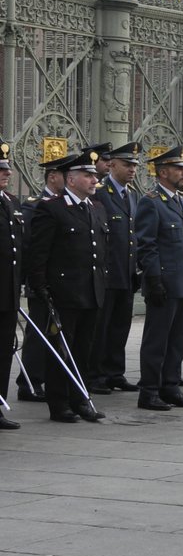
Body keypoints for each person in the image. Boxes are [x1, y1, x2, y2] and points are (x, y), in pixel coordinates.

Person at [24, 148, 109, 424]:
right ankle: (59, 403)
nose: (94, 180)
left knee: (84, 349)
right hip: (63, 293)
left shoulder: (96, 208)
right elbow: (39, 253)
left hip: (91, 290)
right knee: (62, 348)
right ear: (70, 180)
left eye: (94, 175)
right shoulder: (52, 208)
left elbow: (99, 251)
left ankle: (80, 398)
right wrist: (41, 287)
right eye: (87, 175)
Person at [135, 148, 183, 411]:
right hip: (165, 283)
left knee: (177, 339)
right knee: (157, 340)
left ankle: (170, 386)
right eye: (179, 168)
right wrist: (154, 280)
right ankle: (149, 390)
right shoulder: (151, 202)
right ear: (163, 172)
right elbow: (147, 245)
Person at [88, 142, 142, 394]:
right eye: (127, 164)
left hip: (126, 271)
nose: (132, 169)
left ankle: (115, 372)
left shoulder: (131, 194)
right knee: (101, 326)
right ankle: (95, 374)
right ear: (112, 165)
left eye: (134, 165)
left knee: (121, 325)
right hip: (106, 272)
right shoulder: (100, 192)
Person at [16, 155, 69, 402]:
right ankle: (29, 382)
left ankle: (50, 379)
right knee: (38, 334)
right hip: (42, 280)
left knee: (56, 333)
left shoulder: (67, 204)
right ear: (52, 176)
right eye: (64, 175)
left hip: (63, 281)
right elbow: (30, 244)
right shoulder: (34, 204)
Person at [0, 139, 21, 428]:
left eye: (6, 169)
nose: (6, 174)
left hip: (8, 291)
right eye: (0, 169)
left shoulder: (11, 202)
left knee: (4, 350)